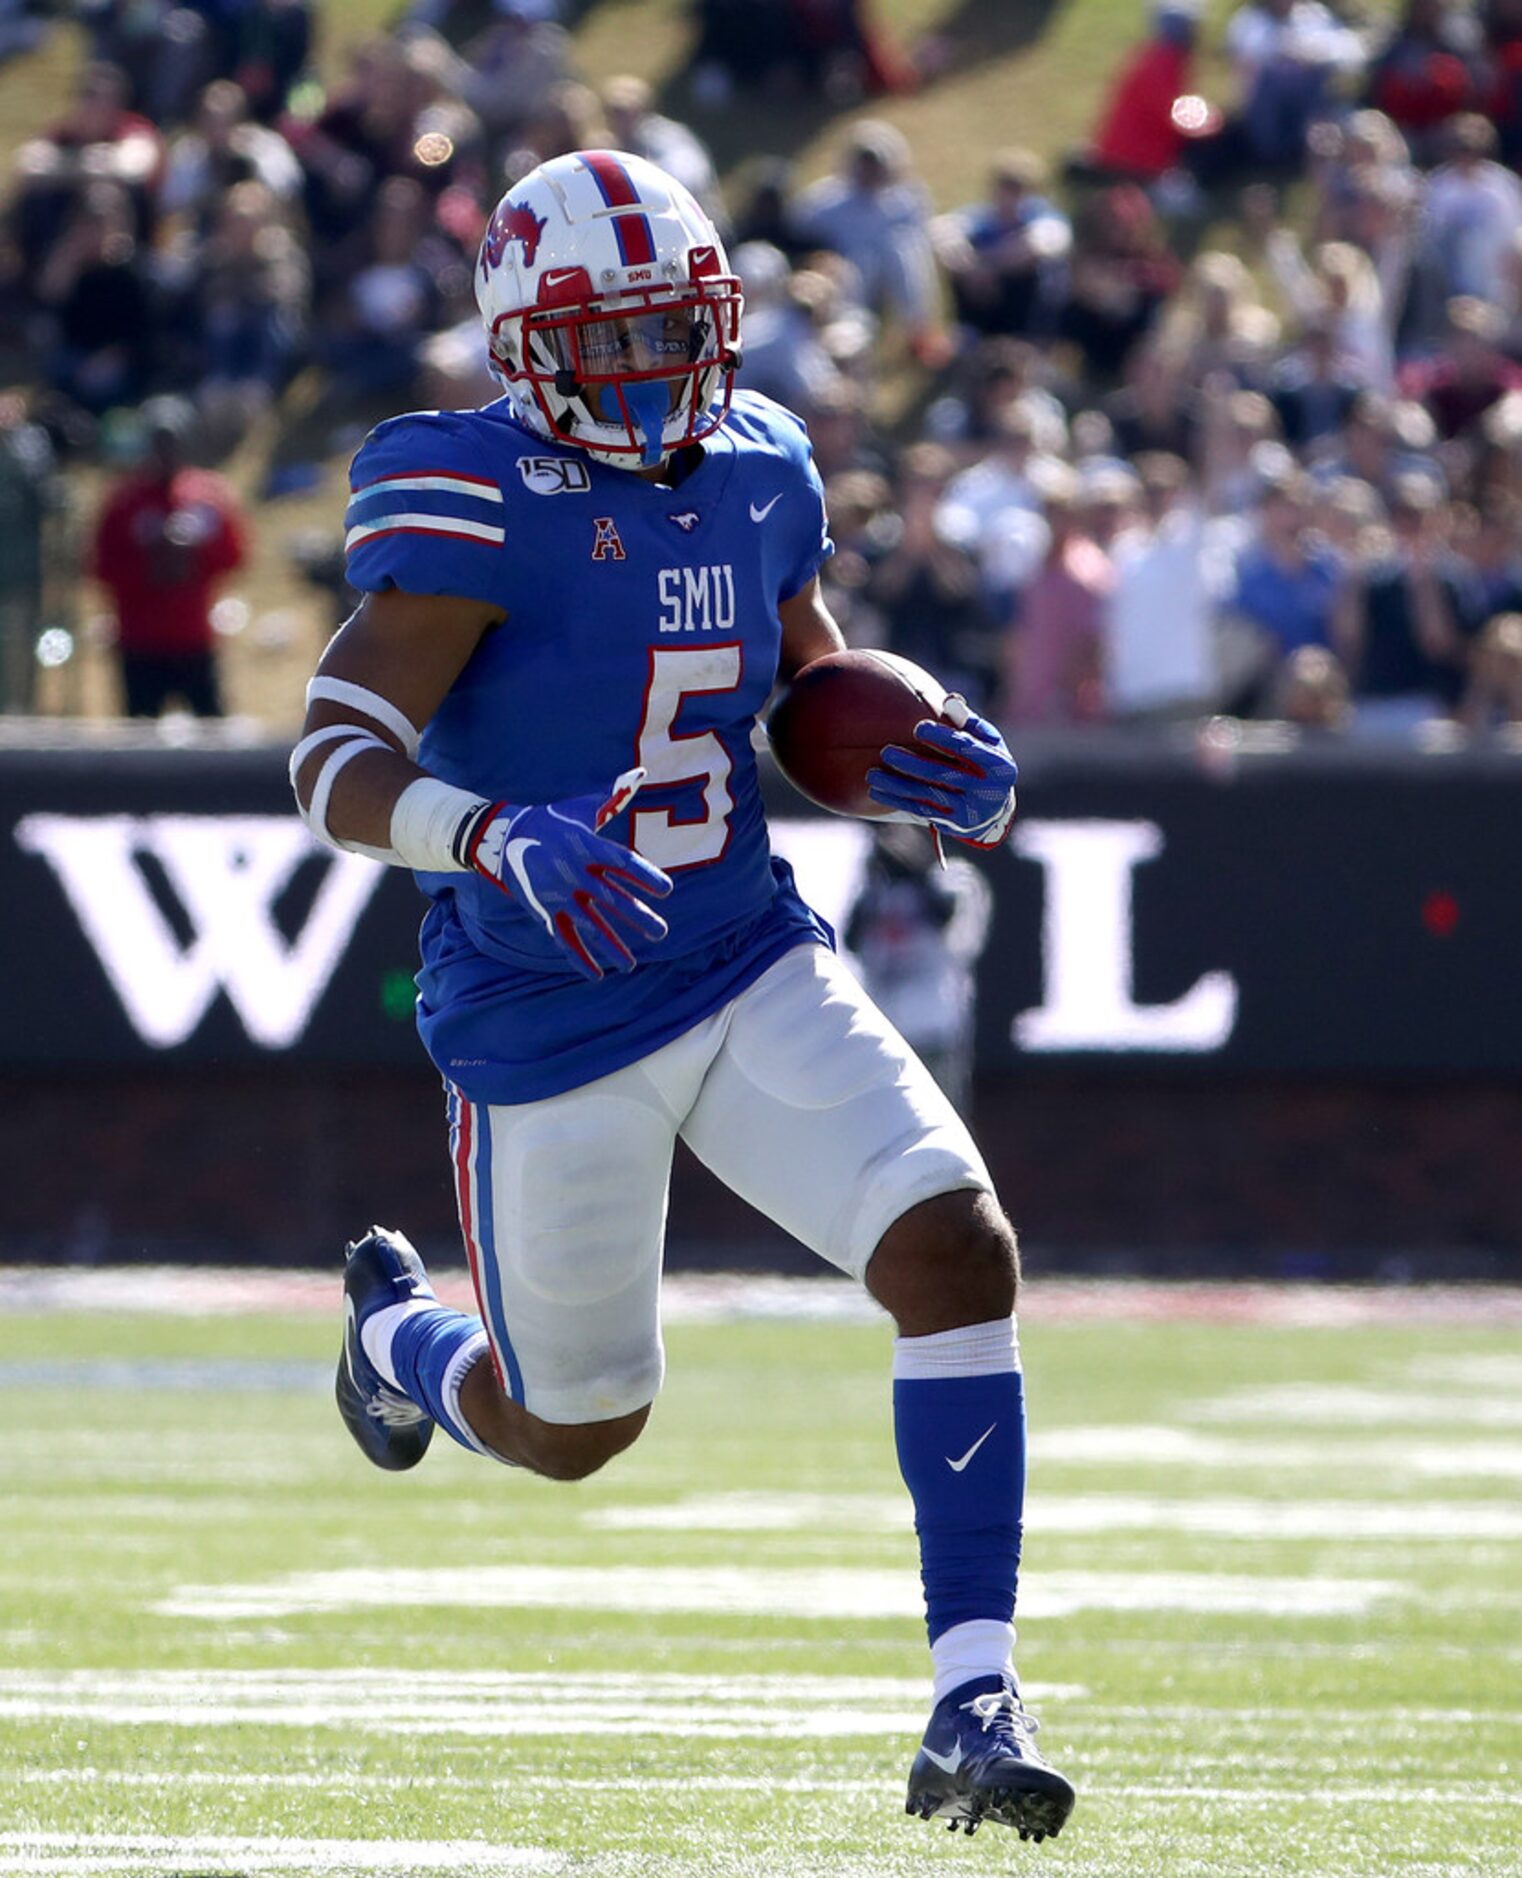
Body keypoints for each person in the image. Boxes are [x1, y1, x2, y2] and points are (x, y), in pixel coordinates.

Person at [291, 148, 1075, 1844]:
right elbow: (331, 753)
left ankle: (972, 1686)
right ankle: (401, 1341)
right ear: (521, 342)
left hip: (736, 952)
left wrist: (914, 745)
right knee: (572, 1425)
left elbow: (806, 689)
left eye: (676, 329)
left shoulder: (761, 464)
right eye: (610, 335)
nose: (652, 369)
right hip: (544, 1006)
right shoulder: (466, 491)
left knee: (954, 1240)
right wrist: (488, 832)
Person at [90, 397, 247, 716]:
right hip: (140, 641)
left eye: (171, 443)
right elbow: (101, 567)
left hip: (193, 637)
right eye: (157, 443)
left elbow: (235, 554)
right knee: (140, 733)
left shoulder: (207, 495)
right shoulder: (124, 501)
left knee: (210, 731)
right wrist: (150, 567)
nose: (164, 453)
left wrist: (193, 557)